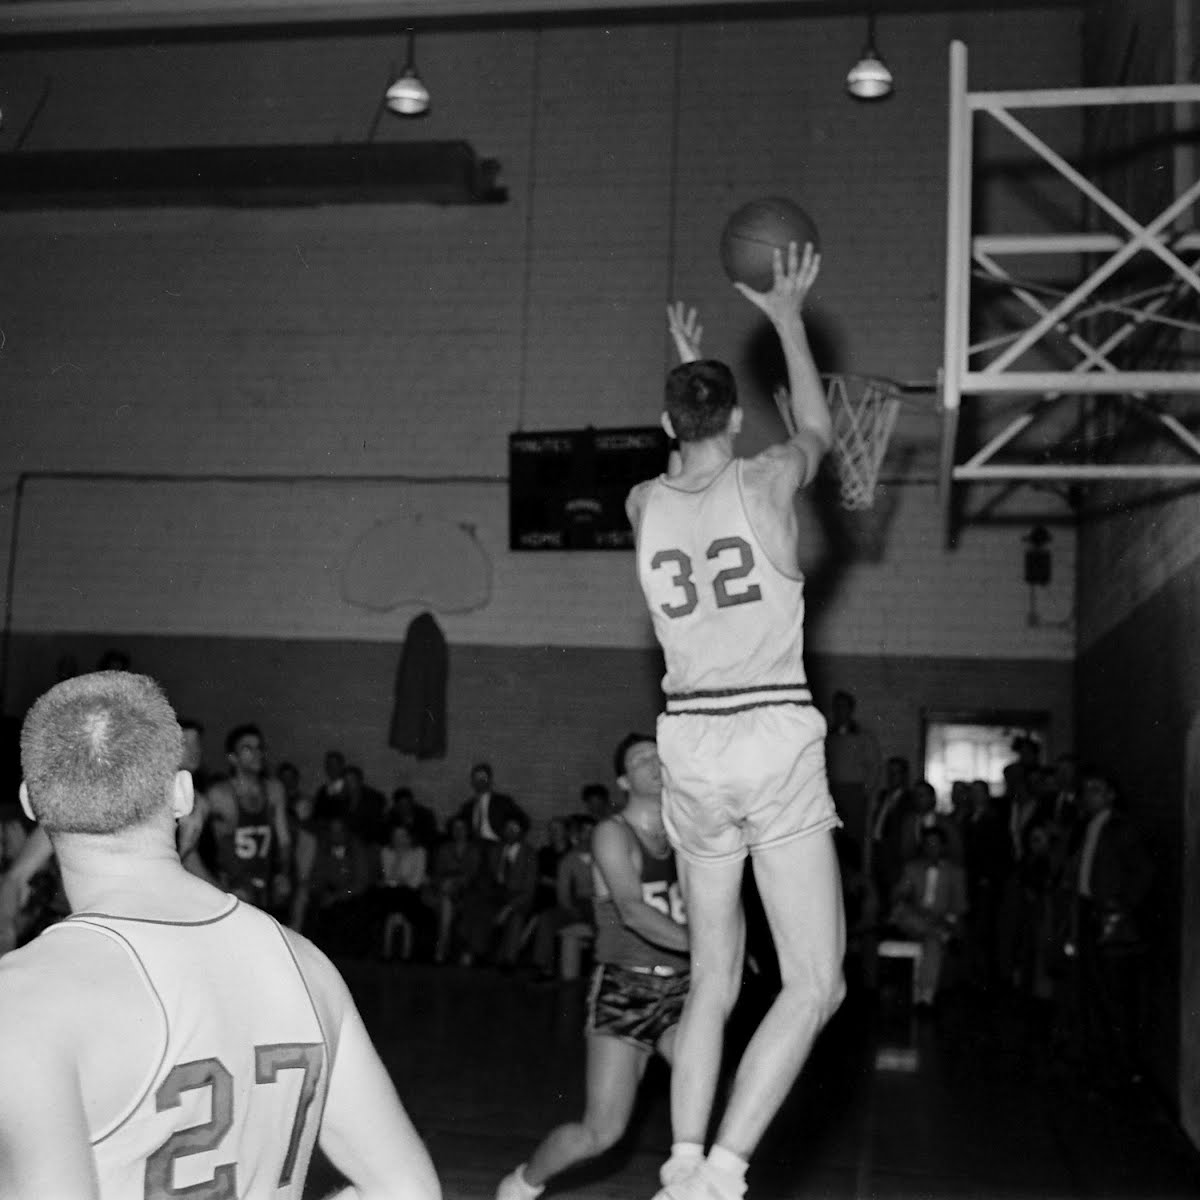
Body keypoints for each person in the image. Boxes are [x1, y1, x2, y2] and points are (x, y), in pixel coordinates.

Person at [0, 670, 441, 1200]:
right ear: (184, 794)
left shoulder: (25, 996)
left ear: (32, 802)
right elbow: (408, 1190)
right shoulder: (307, 963)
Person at [627, 243, 845, 1200]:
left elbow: (681, 437)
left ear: (666, 422)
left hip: (689, 744)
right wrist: (789, 317)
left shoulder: (641, 503)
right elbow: (818, 430)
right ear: (738, 417)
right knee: (812, 984)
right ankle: (721, 1172)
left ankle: (678, 1162)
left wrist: (684, 363)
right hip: (769, 732)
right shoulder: (764, 481)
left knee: (712, 977)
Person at [496, 734, 689, 1200]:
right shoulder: (612, 832)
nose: (653, 762)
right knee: (601, 1133)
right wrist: (708, 947)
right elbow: (632, 910)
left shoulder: (686, 829)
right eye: (640, 759)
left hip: (683, 991)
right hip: (626, 989)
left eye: (658, 753)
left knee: (710, 1085)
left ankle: (692, 1186)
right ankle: (521, 1185)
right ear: (624, 780)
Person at [206, 724, 292, 909]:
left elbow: (284, 839)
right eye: (248, 748)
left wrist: (283, 874)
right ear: (233, 758)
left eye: (259, 747)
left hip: (264, 887)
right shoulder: (219, 794)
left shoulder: (274, 790)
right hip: (231, 891)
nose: (257, 753)